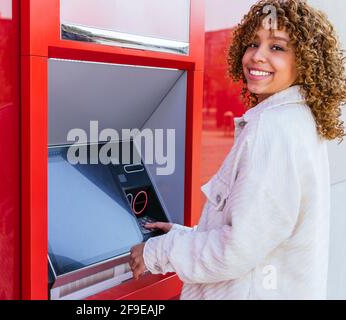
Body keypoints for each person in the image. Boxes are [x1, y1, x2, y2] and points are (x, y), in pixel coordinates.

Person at [130, 0, 346, 299]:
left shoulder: (273, 130)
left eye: (277, 48)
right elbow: (258, 234)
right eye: (253, 44)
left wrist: (157, 251)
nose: (257, 57)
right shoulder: (299, 121)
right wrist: (183, 236)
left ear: (305, 60)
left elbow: (235, 251)